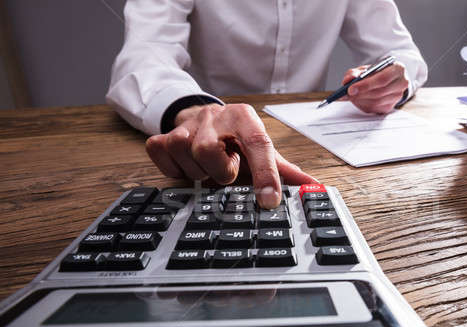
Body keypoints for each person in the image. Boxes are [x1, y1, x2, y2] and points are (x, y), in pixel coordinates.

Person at [107, 0, 428, 209]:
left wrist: (392, 81)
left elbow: (402, 53)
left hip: (313, 143)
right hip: (217, 145)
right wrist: (193, 111)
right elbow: (144, 56)